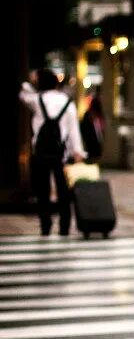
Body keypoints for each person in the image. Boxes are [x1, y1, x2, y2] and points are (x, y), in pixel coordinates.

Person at [19, 69, 86, 236]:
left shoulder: (37, 99)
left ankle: (45, 226)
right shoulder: (67, 102)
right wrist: (77, 151)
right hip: (60, 153)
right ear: (56, 83)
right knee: (63, 191)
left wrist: (31, 81)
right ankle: (64, 226)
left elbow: (23, 93)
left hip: (41, 152)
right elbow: (73, 130)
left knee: (43, 191)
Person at [79, 93, 105, 162]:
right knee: (93, 156)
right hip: (94, 140)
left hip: (92, 140)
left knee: (92, 156)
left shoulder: (91, 115)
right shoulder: (94, 115)